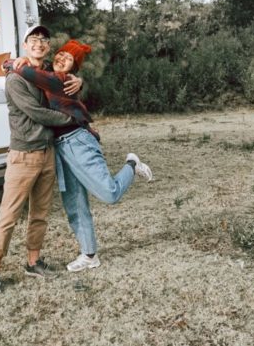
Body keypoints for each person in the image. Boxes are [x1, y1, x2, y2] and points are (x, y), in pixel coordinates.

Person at [8, 39, 153, 273]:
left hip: (76, 141)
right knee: (75, 204)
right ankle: (89, 255)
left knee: (109, 193)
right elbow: (34, 73)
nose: (62, 59)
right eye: (61, 54)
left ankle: (131, 164)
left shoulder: (60, 80)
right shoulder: (53, 76)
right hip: (61, 147)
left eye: (69, 59)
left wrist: (12, 62)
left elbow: (27, 72)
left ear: (73, 69)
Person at [0, 25, 80, 295]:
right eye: (33, 39)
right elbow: (37, 112)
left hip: (48, 153)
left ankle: (33, 262)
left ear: (48, 46)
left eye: (43, 40)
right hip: (23, 155)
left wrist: (80, 81)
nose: (39, 43)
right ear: (25, 45)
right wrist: (72, 120)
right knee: (9, 215)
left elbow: (70, 79)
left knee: (40, 213)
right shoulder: (16, 78)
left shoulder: (49, 73)